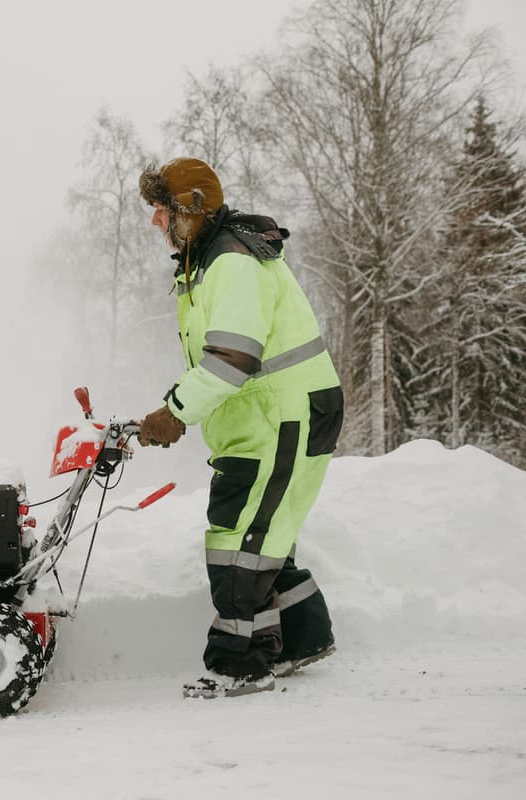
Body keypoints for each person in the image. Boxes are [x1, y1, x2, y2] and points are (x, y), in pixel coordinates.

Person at [136, 158, 342, 699]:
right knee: (262, 532)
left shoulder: (231, 262)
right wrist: (175, 409)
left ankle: (240, 665)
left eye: (162, 210)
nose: (155, 221)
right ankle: (302, 639)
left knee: (238, 541)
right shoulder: (206, 262)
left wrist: (173, 413)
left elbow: (231, 358)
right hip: (266, 418)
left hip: (284, 416)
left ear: (191, 210)